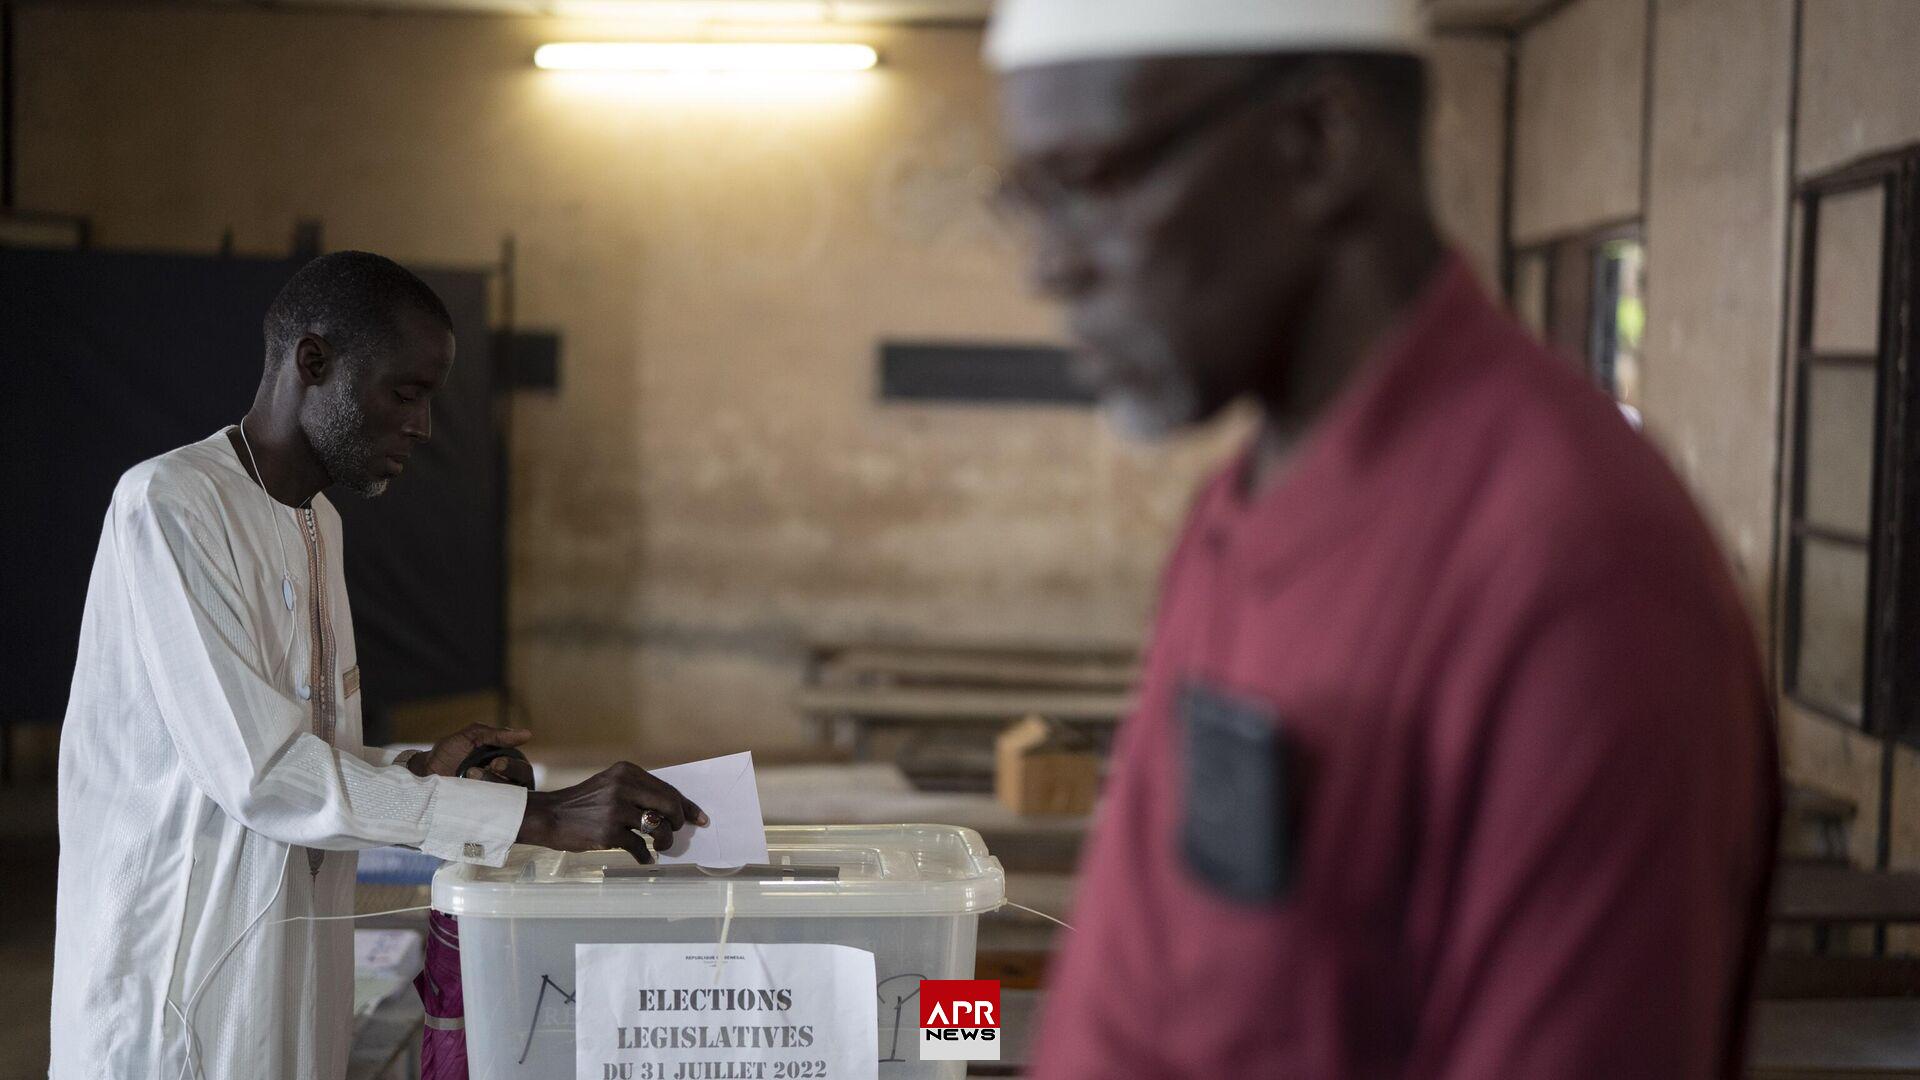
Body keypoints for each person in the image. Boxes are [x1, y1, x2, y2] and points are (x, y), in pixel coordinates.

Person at [985, 2, 1778, 1076]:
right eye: (1026, 201)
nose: (1048, 270)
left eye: (1087, 185)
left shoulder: (1573, 573)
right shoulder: (1241, 506)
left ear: (1320, 142)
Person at [50, 251, 706, 1080]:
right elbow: (261, 777)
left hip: (291, 973)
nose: (424, 427)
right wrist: (540, 819)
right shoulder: (172, 504)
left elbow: (297, 750)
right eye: (406, 392)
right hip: (178, 991)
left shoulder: (319, 521)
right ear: (313, 362)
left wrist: (421, 770)